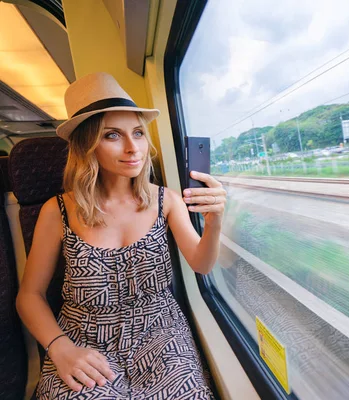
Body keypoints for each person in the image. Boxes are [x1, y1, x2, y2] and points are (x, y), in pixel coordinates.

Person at [16, 72, 226, 399]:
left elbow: (201, 264)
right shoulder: (57, 211)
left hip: (159, 330)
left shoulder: (166, 201)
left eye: (138, 133)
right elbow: (29, 296)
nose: (133, 148)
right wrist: (60, 349)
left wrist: (214, 223)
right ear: (86, 145)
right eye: (112, 135)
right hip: (82, 338)